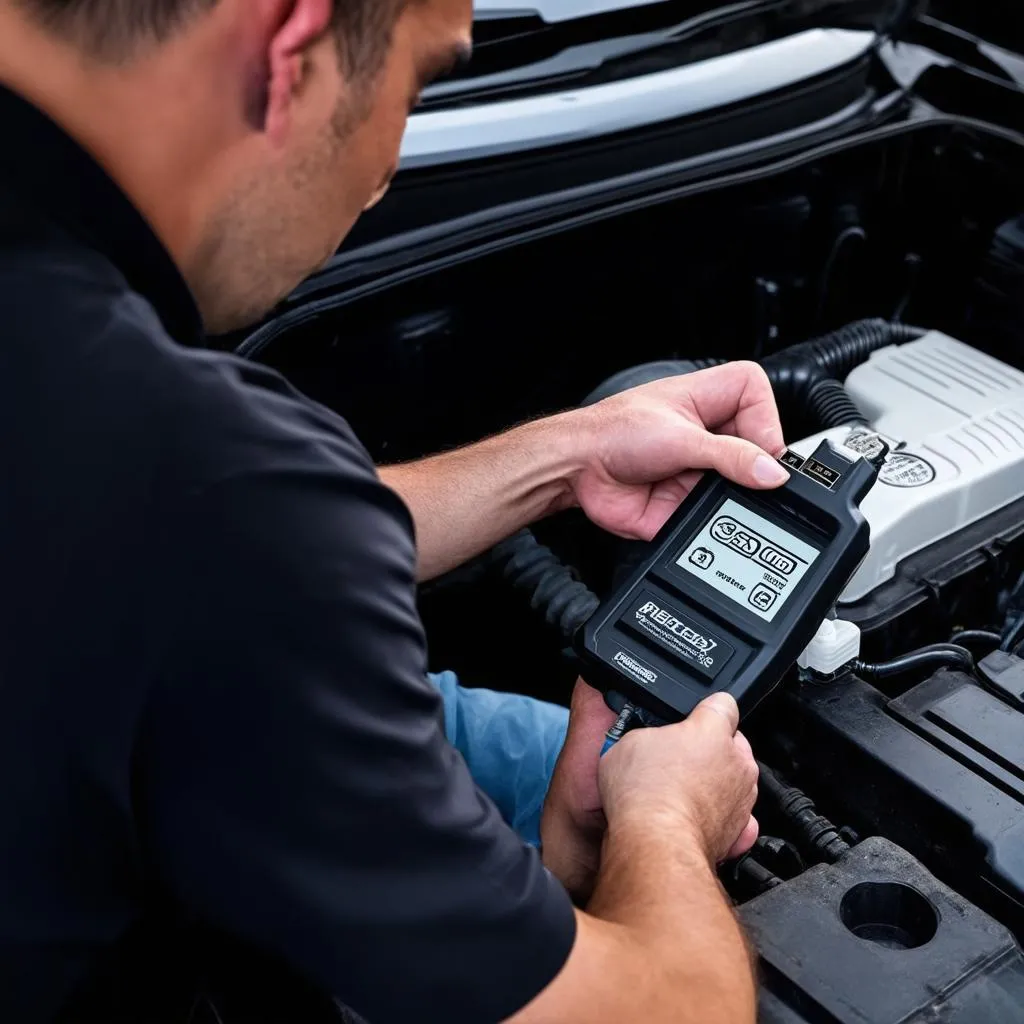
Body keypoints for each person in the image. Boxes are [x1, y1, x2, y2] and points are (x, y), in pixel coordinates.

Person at [0, 1, 791, 1021]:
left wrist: (565, 455)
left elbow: (164, 542)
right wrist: (670, 818)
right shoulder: (206, 484)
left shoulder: (116, 425)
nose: (384, 174)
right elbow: (667, 1010)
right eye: (415, 85)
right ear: (292, 41)